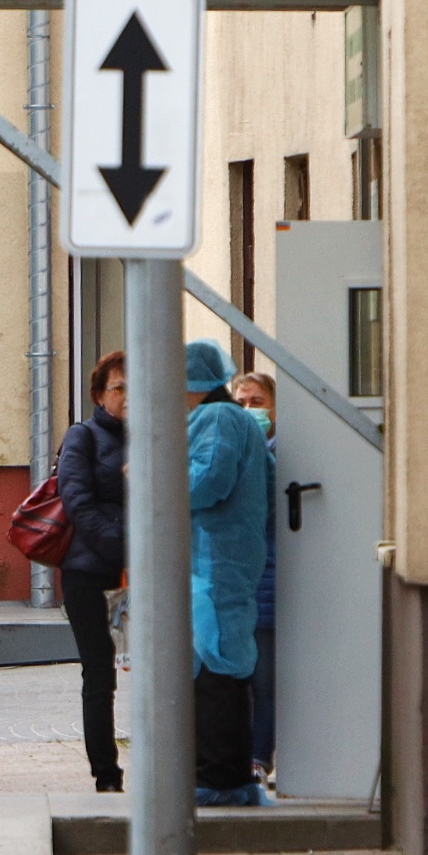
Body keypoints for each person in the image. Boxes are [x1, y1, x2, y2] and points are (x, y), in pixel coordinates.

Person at [184, 341, 271, 807]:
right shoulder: (233, 421)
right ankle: (226, 774)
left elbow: (207, 483)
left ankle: (218, 779)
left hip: (214, 565)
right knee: (223, 667)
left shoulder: (218, 419)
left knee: (215, 672)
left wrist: (153, 473)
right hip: (223, 563)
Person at [57, 351, 128, 793]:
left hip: (143, 575)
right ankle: (107, 773)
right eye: (119, 388)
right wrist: (125, 549)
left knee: (155, 668)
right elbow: (77, 502)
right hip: (89, 574)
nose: (128, 397)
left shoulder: (156, 436)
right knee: (99, 673)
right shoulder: (82, 437)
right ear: (100, 395)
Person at [233, 371, 279, 783]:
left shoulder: (278, 455)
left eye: (257, 401)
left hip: (266, 585)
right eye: (242, 402)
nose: (249, 410)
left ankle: (259, 757)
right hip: (239, 587)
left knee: (263, 681)